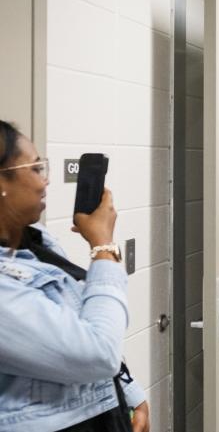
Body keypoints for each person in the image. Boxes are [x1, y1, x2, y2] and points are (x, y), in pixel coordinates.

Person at [0, 120, 150, 431]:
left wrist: (129, 391)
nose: (46, 181)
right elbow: (97, 352)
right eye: (36, 168)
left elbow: (84, 321)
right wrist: (102, 245)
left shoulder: (38, 243)